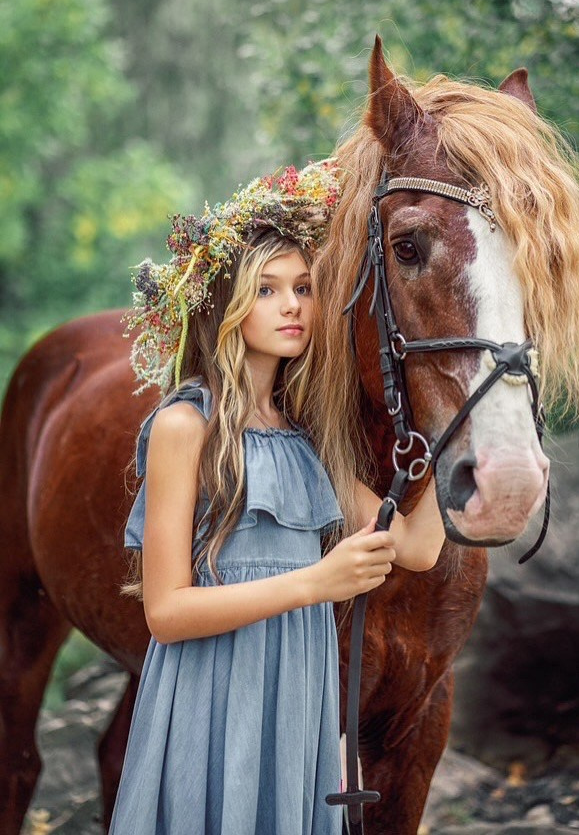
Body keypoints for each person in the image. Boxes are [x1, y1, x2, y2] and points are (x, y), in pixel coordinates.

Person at [110, 161, 446, 835]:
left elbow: (417, 548)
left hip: (296, 694)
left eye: (302, 287)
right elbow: (167, 613)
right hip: (211, 690)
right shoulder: (187, 426)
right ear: (224, 305)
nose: (292, 305)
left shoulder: (310, 439)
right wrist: (318, 581)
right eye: (266, 290)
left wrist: (444, 431)